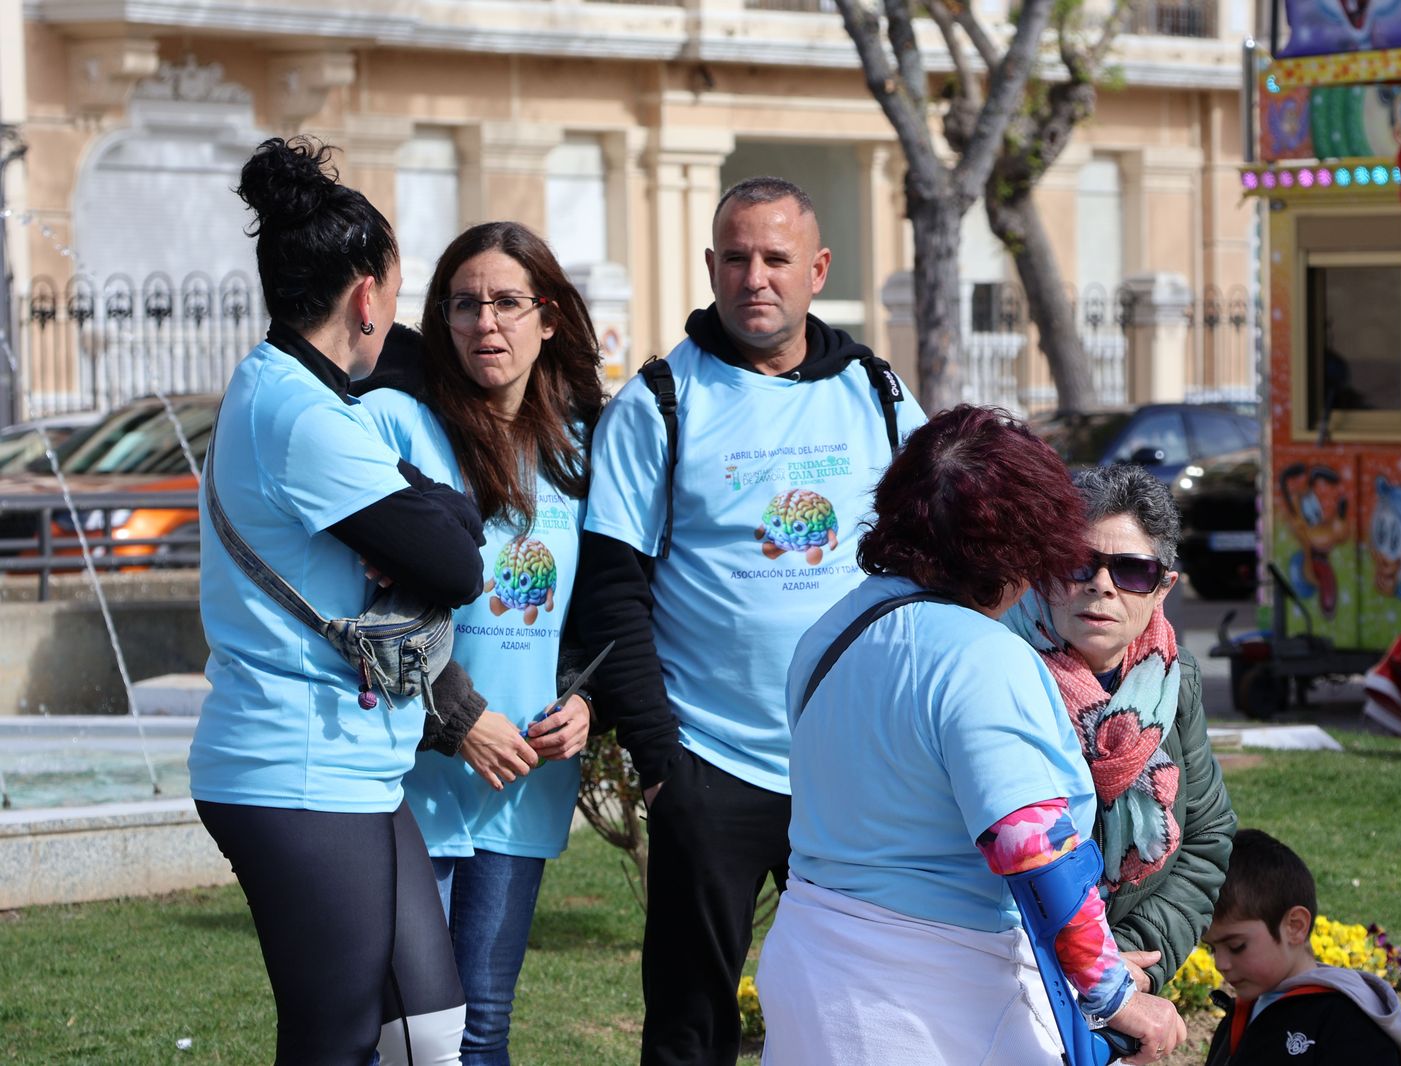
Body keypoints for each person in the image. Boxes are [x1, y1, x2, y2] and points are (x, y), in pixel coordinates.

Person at [575, 175, 925, 1065]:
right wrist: (662, 767)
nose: (755, 277)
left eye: (776, 258)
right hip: (713, 767)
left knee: (868, 1011)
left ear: (818, 268)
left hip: (855, 765)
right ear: (710, 267)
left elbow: (938, 561)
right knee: (691, 1029)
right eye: (736, 258)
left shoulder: (877, 394)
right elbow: (613, 594)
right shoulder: (657, 402)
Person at [757, 406, 1186, 1065]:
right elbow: (1032, 849)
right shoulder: (981, 657)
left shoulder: (832, 632)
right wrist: (1114, 997)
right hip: (931, 1000)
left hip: (811, 963)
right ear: (1023, 546)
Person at [189, 137, 484, 1063]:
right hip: (297, 768)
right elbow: (458, 561)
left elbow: (442, 527)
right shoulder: (306, 416)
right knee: (338, 1038)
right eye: (394, 294)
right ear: (367, 297)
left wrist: (427, 523)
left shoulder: (287, 389)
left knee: (427, 1031)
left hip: (349, 768)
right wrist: (428, 527)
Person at [358, 221, 602, 1065]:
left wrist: (585, 701)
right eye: (464, 305)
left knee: (485, 1025)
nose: (484, 324)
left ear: (549, 318)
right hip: (415, 774)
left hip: (525, 779)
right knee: (409, 1034)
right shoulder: (399, 426)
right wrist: (456, 716)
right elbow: (364, 599)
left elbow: (598, 610)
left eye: (506, 302)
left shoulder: (581, 447)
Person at [1005, 463, 1236, 996]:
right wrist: (1085, 966)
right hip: (1011, 969)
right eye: (1078, 563)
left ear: (1162, 589)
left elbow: (1206, 837)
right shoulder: (1000, 668)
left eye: (1131, 571)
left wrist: (1132, 961)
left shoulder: (1175, 679)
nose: (1101, 586)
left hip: (1125, 964)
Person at [1202, 830, 1401, 1066]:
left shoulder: (1349, 1023)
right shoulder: (1243, 1013)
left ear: (1295, 926)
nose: (1221, 963)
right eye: (1212, 949)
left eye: (1236, 946)